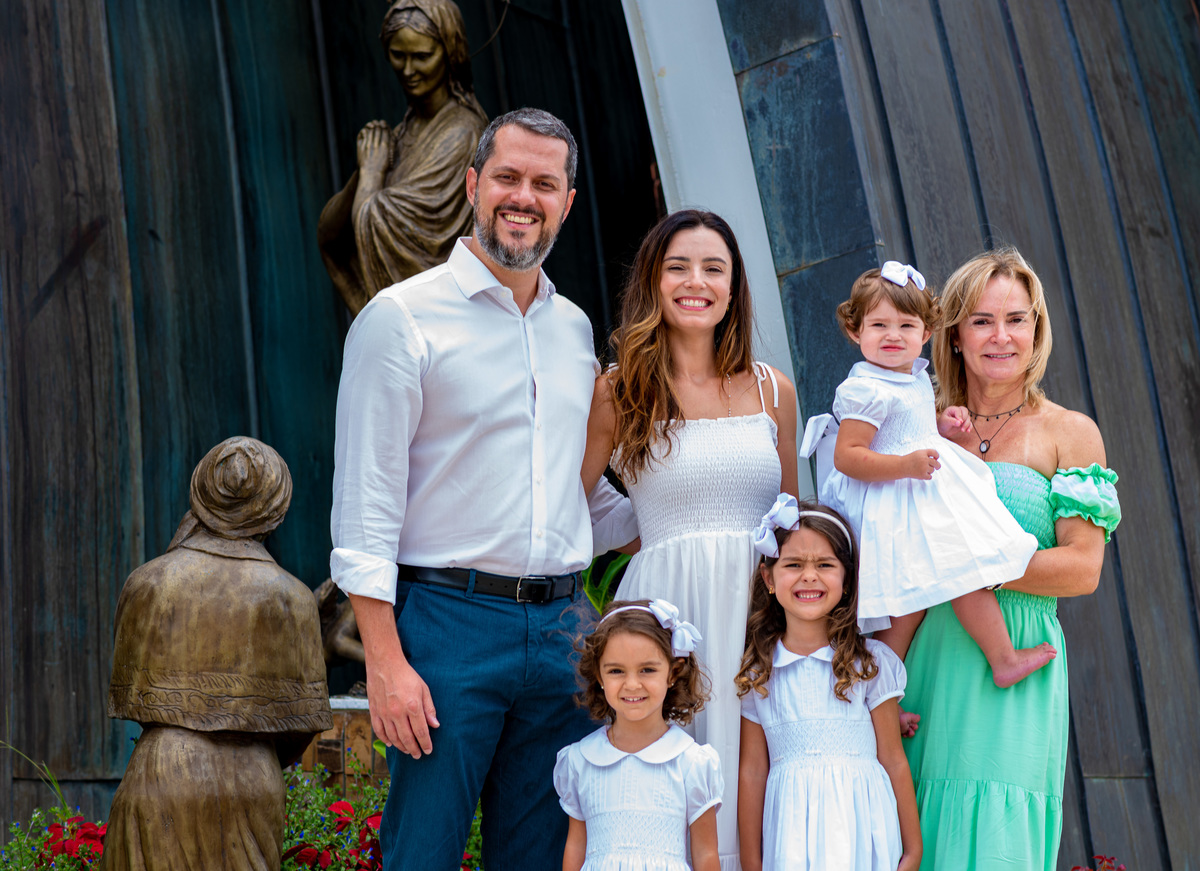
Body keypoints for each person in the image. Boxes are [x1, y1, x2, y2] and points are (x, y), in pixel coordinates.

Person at [330, 108, 636, 871]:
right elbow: (364, 505)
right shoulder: (400, 319)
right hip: (447, 627)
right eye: (507, 177)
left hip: (565, 629)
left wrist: (687, 507)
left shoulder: (573, 329)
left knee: (538, 856)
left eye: (544, 183)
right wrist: (385, 660)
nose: (523, 197)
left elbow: (574, 499)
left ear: (567, 201)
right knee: (422, 854)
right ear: (473, 185)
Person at [582, 209, 797, 871]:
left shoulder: (772, 389)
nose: (696, 281)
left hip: (758, 618)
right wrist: (644, 532)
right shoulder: (619, 391)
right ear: (653, 279)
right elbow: (576, 506)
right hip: (667, 618)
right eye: (678, 266)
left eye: (714, 268)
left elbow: (790, 519)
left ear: (734, 287)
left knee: (758, 787)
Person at [902, 247, 1121, 870]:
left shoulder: (1067, 430)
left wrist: (970, 558)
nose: (1001, 336)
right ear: (955, 334)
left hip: (1015, 663)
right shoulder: (918, 421)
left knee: (993, 844)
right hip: (924, 651)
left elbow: (1083, 568)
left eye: (1017, 320)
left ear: (1037, 330)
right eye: (981, 320)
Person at [800, 261, 1050, 687]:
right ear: (854, 331)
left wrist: (942, 425)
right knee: (917, 598)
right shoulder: (865, 388)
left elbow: (908, 425)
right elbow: (849, 456)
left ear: (927, 333)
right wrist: (905, 466)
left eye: (906, 325)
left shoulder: (910, 377)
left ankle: (992, 660)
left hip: (918, 491)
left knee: (949, 583)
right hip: (892, 499)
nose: (893, 336)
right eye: (879, 325)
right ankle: (892, 690)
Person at [105, 437, 332, 871]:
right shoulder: (294, 598)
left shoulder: (147, 582)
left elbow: (131, 700)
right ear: (275, 505)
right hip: (251, 775)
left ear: (203, 493)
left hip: (162, 770)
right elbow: (302, 725)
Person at [736, 496, 920, 871]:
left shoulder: (869, 665)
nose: (809, 575)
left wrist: (913, 849)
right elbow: (753, 770)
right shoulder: (759, 673)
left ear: (846, 578)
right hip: (790, 838)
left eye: (824, 564)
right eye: (793, 564)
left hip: (862, 830)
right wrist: (751, 862)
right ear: (768, 578)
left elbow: (893, 759)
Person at [318, 0, 488, 315]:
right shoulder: (403, 132)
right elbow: (331, 236)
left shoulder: (462, 134)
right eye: (399, 55)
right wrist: (365, 172)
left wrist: (371, 173)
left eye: (422, 56)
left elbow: (377, 224)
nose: (408, 71)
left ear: (450, 52)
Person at [554, 599, 722, 871]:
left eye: (647, 669)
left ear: (673, 672)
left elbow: (705, 855)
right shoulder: (580, 761)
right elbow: (575, 847)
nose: (632, 684)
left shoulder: (692, 763)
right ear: (599, 674)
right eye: (617, 671)